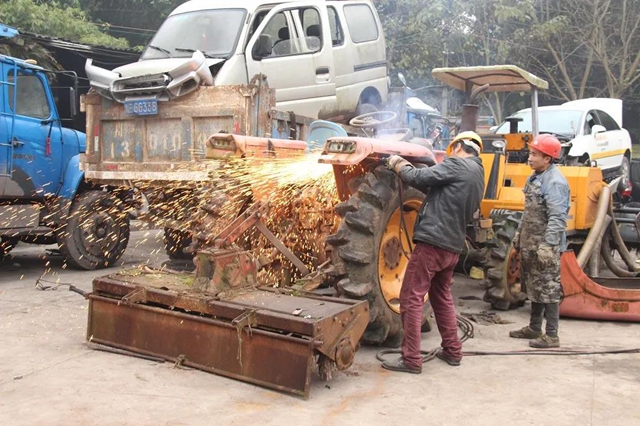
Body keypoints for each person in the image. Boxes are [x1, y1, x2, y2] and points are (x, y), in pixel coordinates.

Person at [381, 131, 485, 374]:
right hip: (452, 247)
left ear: (459, 146)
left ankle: (411, 359)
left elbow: (420, 177)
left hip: (433, 243)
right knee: (441, 297)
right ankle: (452, 350)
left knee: (411, 297)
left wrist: (398, 164)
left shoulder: (458, 164)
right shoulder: (478, 174)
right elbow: (443, 194)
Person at [509, 134, 570, 348]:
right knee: (534, 285)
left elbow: (557, 218)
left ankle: (551, 335)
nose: (530, 157)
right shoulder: (534, 178)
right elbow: (528, 212)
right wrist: (519, 234)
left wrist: (547, 246)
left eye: (535, 154)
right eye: (530, 153)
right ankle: (534, 328)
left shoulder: (555, 182)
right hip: (530, 244)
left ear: (548, 159)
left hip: (545, 247)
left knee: (549, 289)